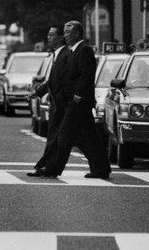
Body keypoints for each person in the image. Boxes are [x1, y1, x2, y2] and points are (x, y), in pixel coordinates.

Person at [34, 20, 111, 179]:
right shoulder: (73, 51)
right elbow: (63, 77)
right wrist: (41, 91)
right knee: (89, 137)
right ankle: (101, 169)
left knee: (65, 136)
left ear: (77, 33)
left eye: (68, 32)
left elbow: (87, 75)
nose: (65, 36)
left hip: (78, 102)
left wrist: (79, 94)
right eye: (65, 32)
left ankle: (52, 168)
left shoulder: (84, 50)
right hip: (75, 101)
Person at [27, 25, 70, 176]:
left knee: (55, 137)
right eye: (48, 34)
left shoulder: (65, 54)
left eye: (52, 35)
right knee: (86, 140)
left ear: (60, 37)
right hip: (59, 104)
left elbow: (64, 81)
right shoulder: (57, 54)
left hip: (62, 104)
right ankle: (101, 167)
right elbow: (52, 80)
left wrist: (59, 98)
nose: (48, 37)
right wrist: (38, 92)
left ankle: (47, 167)